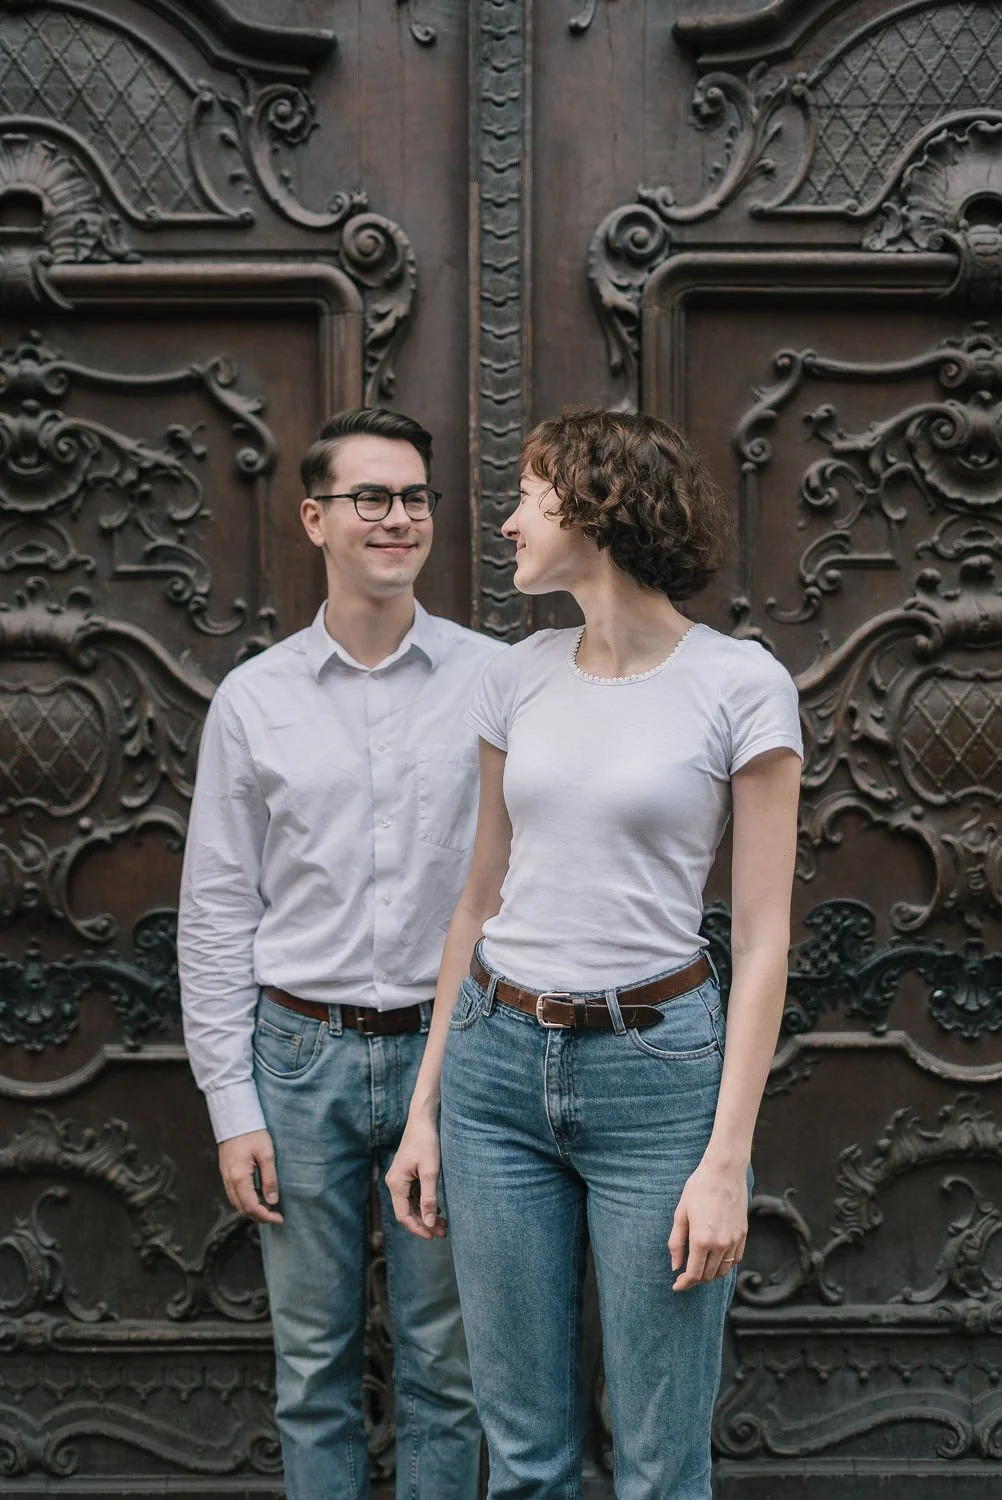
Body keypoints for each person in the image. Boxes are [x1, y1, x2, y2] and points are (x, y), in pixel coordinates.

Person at [386, 407, 803, 1500]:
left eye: (530, 493)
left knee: (659, 1463)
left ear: (599, 503)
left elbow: (762, 942)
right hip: (494, 1069)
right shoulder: (516, 677)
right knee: (522, 1454)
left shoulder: (740, 685)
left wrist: (725, 1166)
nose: (510, 519)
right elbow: (476, 900)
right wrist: (427, 1109)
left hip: (656, 1078)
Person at [178, 406, 502, 1500]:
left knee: (448, 1367)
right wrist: (233, 1104)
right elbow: (218, 908)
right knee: (311, 1364)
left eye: (414, 496)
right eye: (371, 497)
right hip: (298, 1057)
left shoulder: (496, 681)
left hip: (448, 1059)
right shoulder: (254, 700)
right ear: (315, 518)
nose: (398, 517)